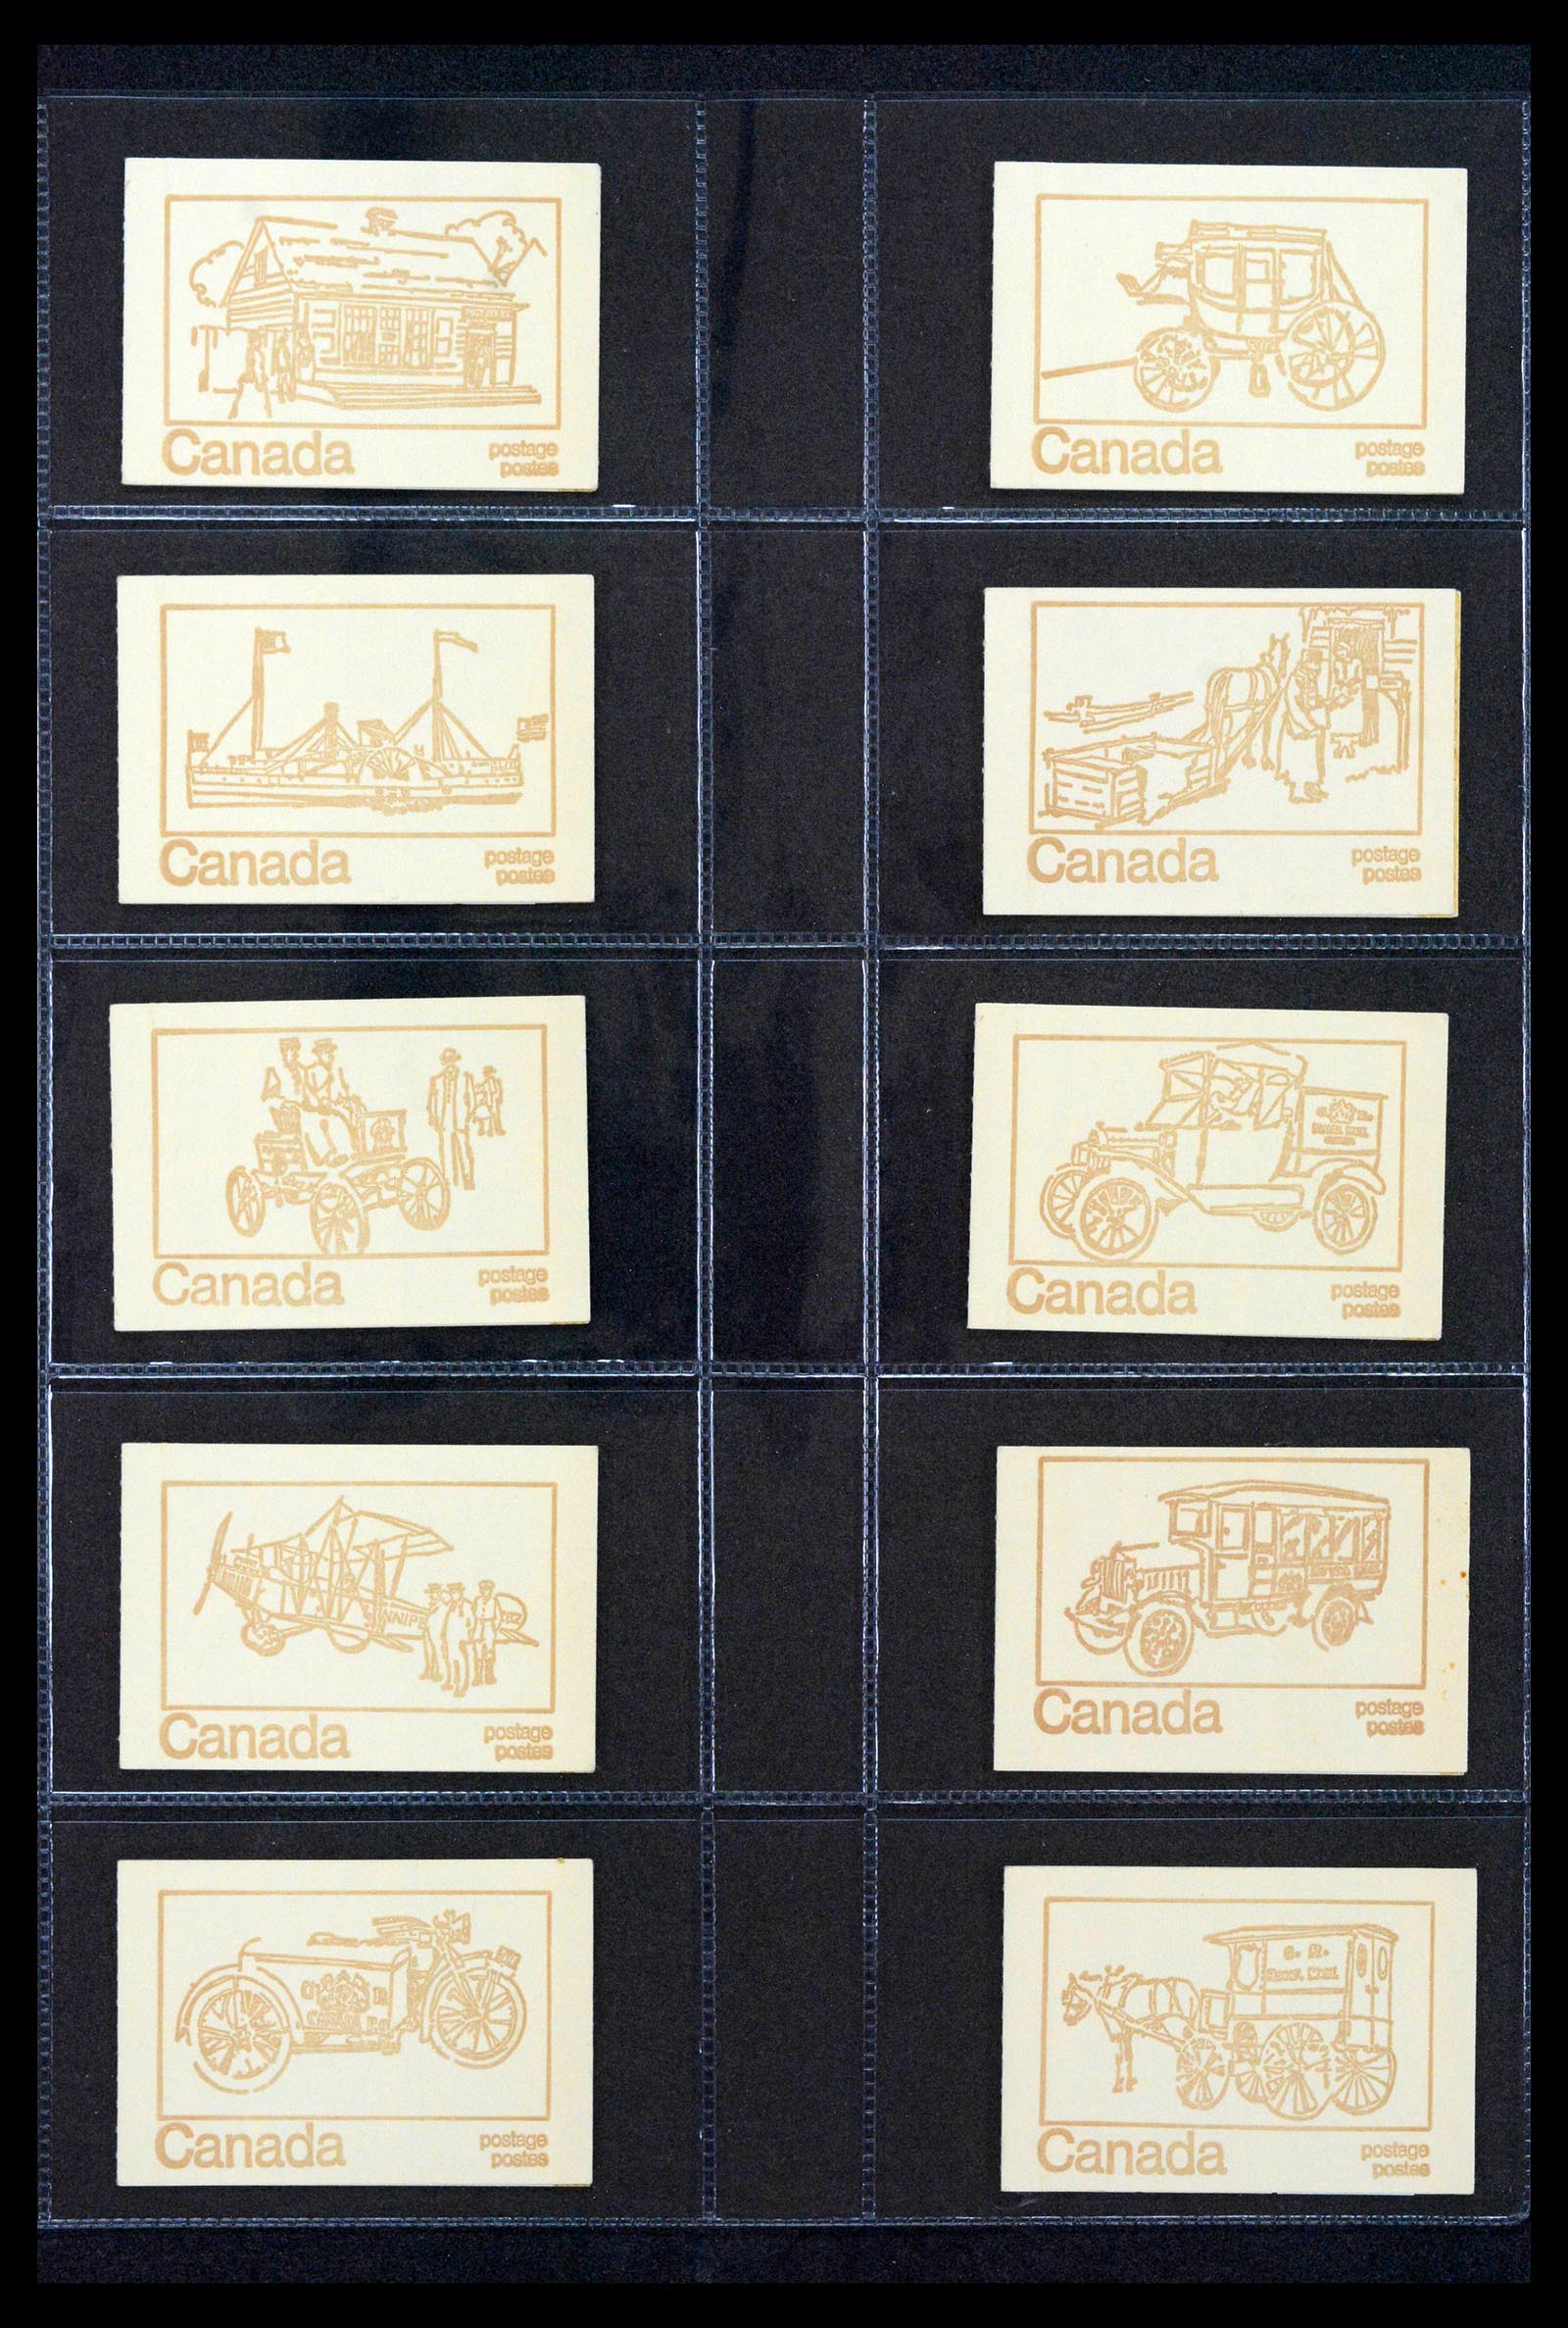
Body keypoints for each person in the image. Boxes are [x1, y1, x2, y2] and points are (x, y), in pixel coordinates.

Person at [426, 1047, 476, 1191]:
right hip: (443, 1122)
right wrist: (433, 1118)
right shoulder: (436, 1080)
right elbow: (430, 1102)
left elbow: (473, 1100)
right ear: (444, 1061)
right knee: (446, 1152)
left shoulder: (466, 1078)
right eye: (447, 1060)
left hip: (460, 1121)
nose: (449, 1062)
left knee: (465, 1152)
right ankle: (447, 1181)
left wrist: (468, 1118)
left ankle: (468, 1180)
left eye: (452, 1059)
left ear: (455, 1060)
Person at [470, 1580, 498, 1686]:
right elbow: (473, 1614)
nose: (484, 1591)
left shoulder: (494, 1601)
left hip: (489, 1629)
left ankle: (489, 1676)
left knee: (489, 1653)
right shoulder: (477, 1600)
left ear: (491, 1590)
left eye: (487, 1589)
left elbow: (498, 1617)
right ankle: (477, 1677)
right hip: (478, 1628)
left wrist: (494, 1629)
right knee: (477, 1653)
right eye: (482, 1589)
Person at [419, 1584, 446, 1683]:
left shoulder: (443, 1606)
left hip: (437, 1633)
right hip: (428, 1631)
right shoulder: (432, 1605)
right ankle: (429, 1671)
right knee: (429, 1652)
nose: (432, 1595)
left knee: (438, 1652)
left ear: (439, 1594)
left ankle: (438, 1672)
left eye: (434, 1593)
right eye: (431, 1593)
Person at [473, 1065, 505, 1139]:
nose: (485, 1074)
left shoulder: (493, 1081)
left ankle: (495, 1130)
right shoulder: (486, 1082)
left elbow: (496, 1091)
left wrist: (499, 1097)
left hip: (493, 1101)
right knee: (490, 1115)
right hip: (489, 1101)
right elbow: (486, 1091)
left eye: (486, 1073)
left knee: (494, 1115)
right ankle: (491, 1130)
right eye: (485, 1073)